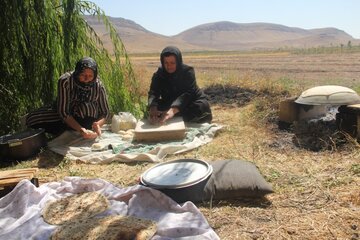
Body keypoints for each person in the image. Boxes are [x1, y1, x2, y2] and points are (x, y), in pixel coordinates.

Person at [26, 57, 110, 139]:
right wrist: (81, 130)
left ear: (95, 75)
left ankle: (75, 130)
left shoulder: (98, 85)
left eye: (90, 76)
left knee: (85, 107)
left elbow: (105, 112)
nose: (86, 79)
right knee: (32, 118)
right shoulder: (65, 81)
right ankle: (70, 129)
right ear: (77, 73)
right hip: (65, 115)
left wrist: (98, 124)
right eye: (83, 75)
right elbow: (63, 112)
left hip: (87, 118)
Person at [148, 46, 212, 125]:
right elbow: (153, 93)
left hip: (189, 101)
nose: (169, 66)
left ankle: (173, 115)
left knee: (202, 106)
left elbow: (188, 93)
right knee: (156, 107)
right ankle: (170, 115)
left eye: (172, 63)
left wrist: (172, 110)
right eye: (166, 63)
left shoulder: (188, 72)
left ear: (178, 61)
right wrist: (153, 108)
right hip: (170, 102)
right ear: (162, 62)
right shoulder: (159, 74)